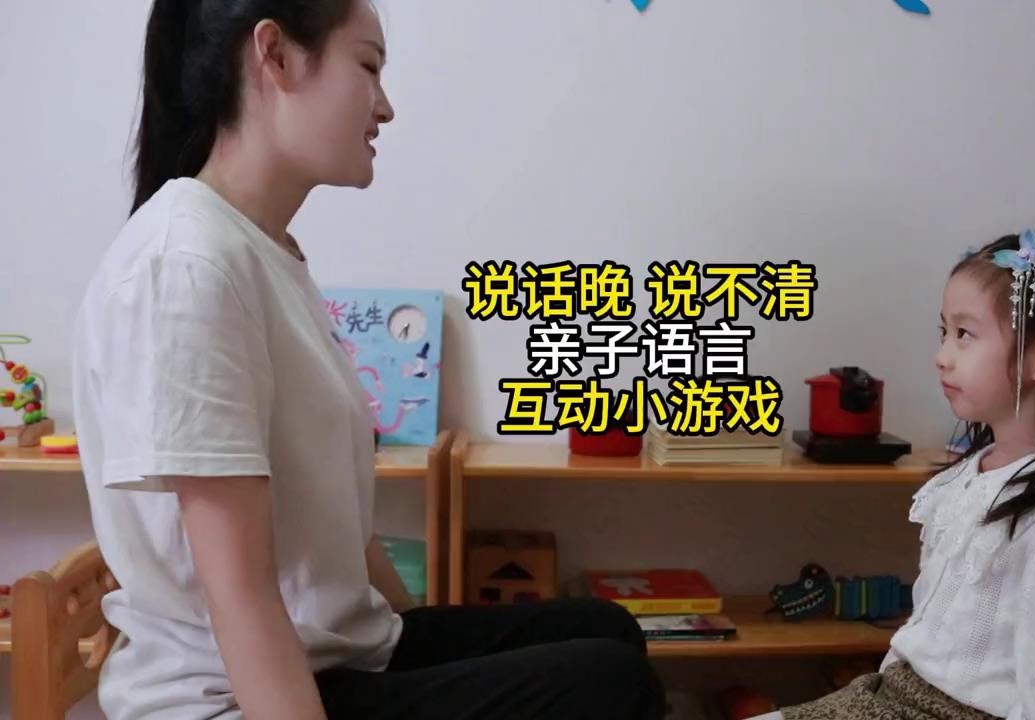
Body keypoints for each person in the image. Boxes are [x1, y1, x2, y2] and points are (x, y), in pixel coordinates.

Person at [71, 1, 664, 718]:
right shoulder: (189, 265)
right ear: (275, 55)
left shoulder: (264, 251)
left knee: (605, 628)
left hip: (339, 654)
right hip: (229, 695)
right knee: (609, 682)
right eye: (368, 66)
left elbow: (340, 531)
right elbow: (240, 595)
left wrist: (425, 649)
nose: (384, 107)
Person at [761, 231, 1035, 720]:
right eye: (943, 332)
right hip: (891, 697)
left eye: (964, 334)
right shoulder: (963, 480)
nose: (942, 355)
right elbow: (924, 634)